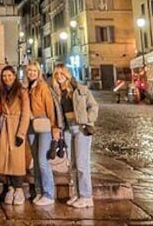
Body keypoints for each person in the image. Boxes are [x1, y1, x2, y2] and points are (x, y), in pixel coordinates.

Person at [53, 63, 98, 208]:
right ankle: (77, 194)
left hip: (80, 128)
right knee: (72, 164)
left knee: (82, 163)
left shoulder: (79, 89)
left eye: (61, 73)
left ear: (67, 74)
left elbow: (93, 106)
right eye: (56, 74)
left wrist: (88, 121)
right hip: (68, 129)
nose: (59, 77)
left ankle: (86, 196)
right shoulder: (57, 92)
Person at [0, 65, 30, 205]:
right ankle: (9, 188)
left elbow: (26, 113)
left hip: (15, 126)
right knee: (5, 159)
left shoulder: (21, 92)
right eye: (4, 76)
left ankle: (18, 189)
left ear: (14, 76)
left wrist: (21, 133)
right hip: (4, 126)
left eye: (9, 75)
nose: (7, 78)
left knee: (17, 159)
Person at [26, 60, 59, 206]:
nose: (32, 73)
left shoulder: (42, 87)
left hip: (44, 124)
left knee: (42, 161)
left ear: (38, 72)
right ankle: (39, 191)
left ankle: (49, 193)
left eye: (34, 70)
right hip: (31, 126)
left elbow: (50, 108)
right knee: (36, 161)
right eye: (29, 71)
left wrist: (54, 127)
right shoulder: (27, 87)